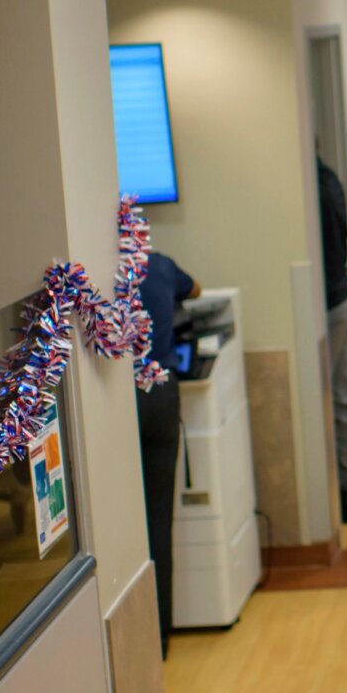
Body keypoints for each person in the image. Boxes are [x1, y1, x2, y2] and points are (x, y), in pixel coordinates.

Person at [136, 250, 198, 657]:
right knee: (159, 519)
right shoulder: (156, 263)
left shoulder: (97, 272)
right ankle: (159, 638)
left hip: (119, 403)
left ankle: (135, 641)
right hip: (160, 395)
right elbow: (195, 288)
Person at [318, 155, 347, 523]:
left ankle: (338, 497)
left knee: (324, 401)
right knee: (343, 396)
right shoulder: (329, 178)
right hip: (343, 296)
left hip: (328, 304)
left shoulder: (308, 187)